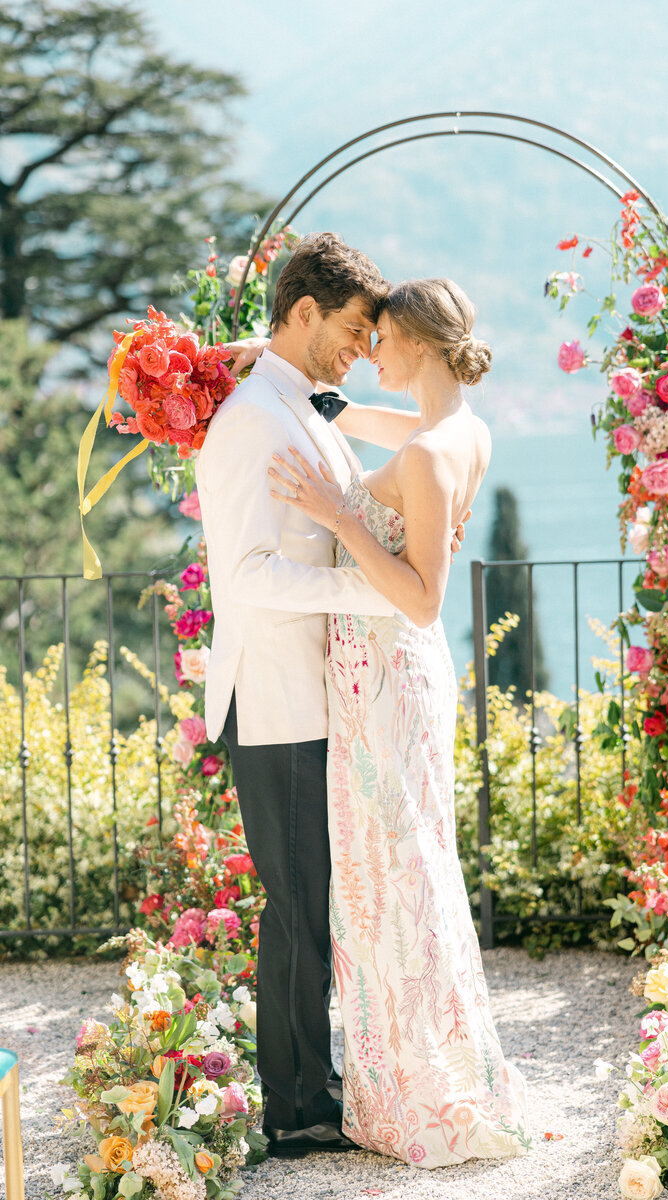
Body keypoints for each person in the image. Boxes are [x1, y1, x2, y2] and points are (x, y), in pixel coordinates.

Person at [197, 233, 464, 1158]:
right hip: (276, 700)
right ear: (302, 312)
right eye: (352, 328)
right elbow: (249, 575)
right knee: (299, 904)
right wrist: (370, 592)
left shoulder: (294, 401)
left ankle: (317, 1080)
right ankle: (298, 1108)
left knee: (318, 901)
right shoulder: (251, 421)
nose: (361, 345)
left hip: (320, 696)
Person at [270, 277, 531, 1168]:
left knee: (396, 873)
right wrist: (323, 406)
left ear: (414, 342)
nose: (370, 350)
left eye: (380, 338)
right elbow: (392, 430)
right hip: (392, 681)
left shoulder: (426, 458)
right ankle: (431, 1070)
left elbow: (422, 600)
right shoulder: (464, 433)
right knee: (406, 863)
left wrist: (340, 513)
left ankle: (418, 1090)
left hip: (387, 670)